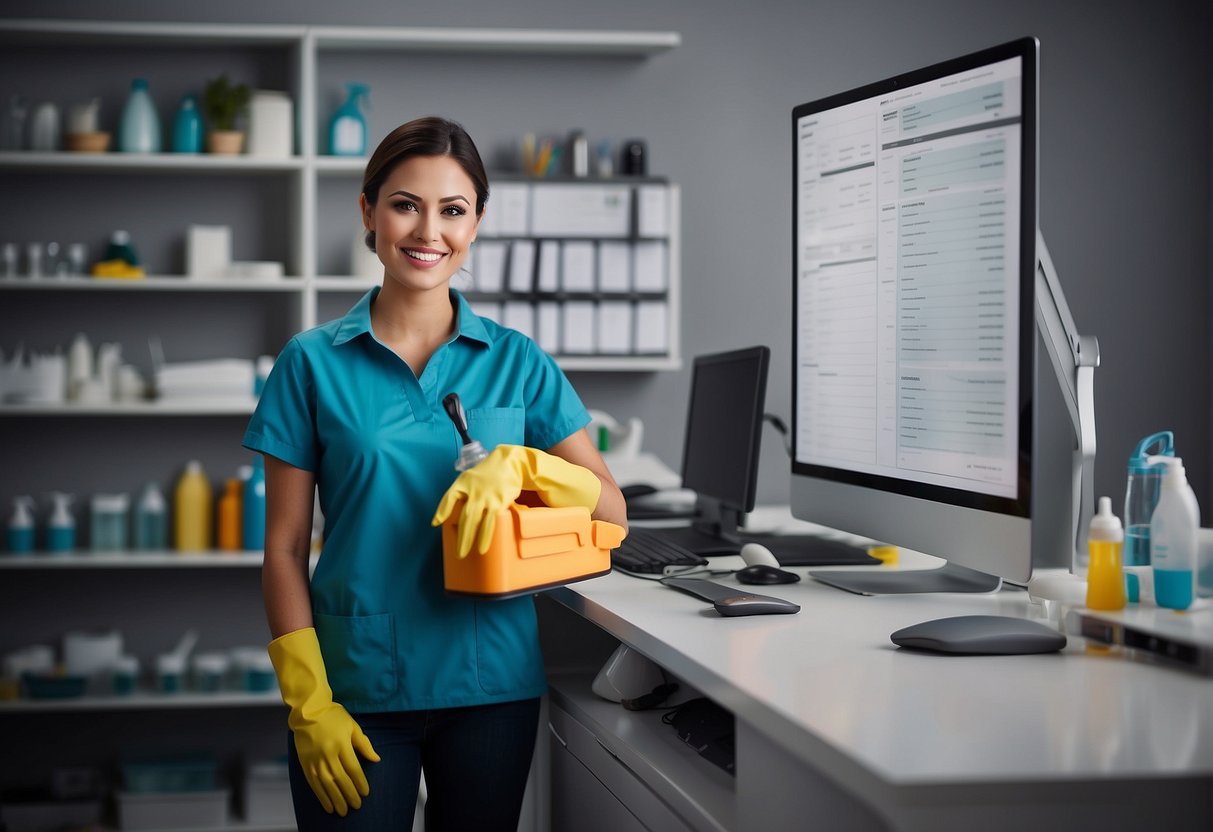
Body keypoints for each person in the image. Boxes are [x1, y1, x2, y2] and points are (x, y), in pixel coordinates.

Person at [243, 115, 627, 830]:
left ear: (476, 222)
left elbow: (610, 512)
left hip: (488, 691)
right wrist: (308, 703)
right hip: (353, 688)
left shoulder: (518, 362)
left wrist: (520, 465)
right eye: (404, 204)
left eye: (452, 210)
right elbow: (285, 550)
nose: (428, 232)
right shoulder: (311, 363)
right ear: (368, 211)